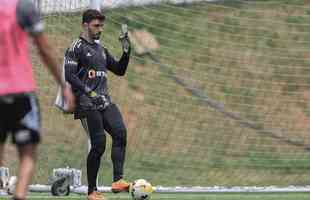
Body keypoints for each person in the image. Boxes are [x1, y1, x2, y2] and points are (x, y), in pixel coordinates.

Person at [0, 0, 75, 200]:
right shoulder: (23, 7)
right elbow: (45, 50)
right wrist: (63, 85)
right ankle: (20, 195)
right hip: (20, 91)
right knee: (27, 154)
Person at [64, 9, 131, 200]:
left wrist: (126, 51)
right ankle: (92, 191)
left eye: (101, 26)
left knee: (120, 133)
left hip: (104, 101)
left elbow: (119, 70)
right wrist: (90, 93)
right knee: (99, 143)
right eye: (96, 26)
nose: (100, 29)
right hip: (86, 103)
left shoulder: (101, 50)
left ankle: (118, 181)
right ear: (85, 25)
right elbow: (69, 75)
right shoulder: (75, 47)